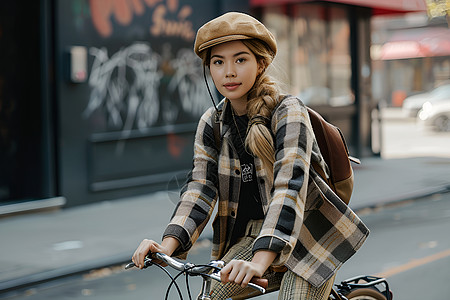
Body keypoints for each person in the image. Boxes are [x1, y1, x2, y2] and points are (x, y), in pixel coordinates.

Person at [132, 12, 369, 299]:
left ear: (261, 64)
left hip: (309, 229)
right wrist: (167, 245)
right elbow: (200, 188)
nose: (228, 72)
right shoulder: (213, 122)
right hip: (253, 233)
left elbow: (289, 188)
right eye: (218, 62)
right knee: (212, 295)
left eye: (240, 59)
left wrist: (259, 262)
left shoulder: (288, 111)